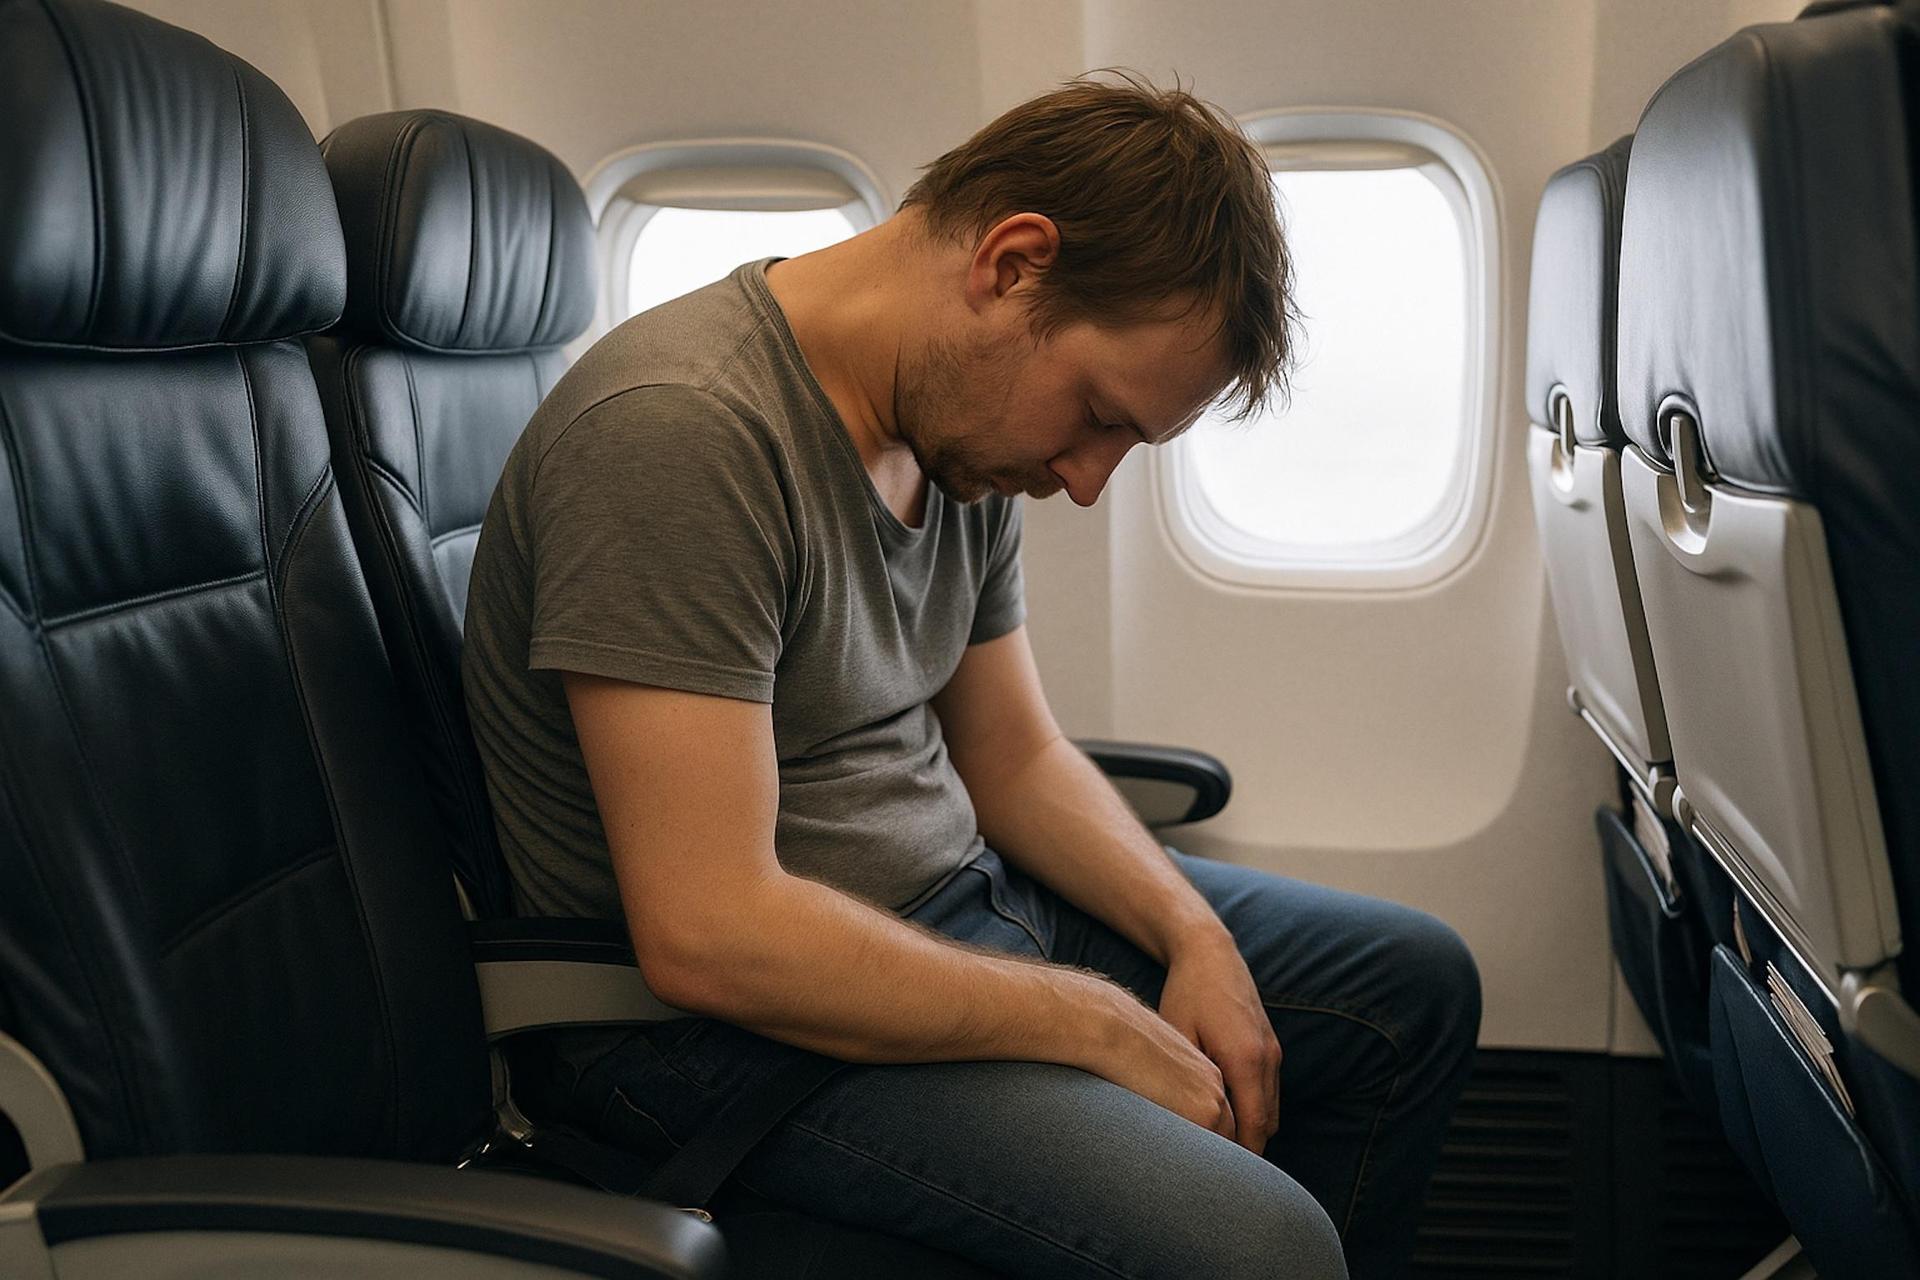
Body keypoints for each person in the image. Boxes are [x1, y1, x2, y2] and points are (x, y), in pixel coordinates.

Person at [463, 72, 1481, 1280]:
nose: (1087, 480)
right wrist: (1091, 1017)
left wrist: (1192, 934)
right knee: (1262, 1244)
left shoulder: (954, 434)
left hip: (956, 905)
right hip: (719, 1033)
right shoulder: (682, 433)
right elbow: (710, 932)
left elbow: (1015, 754)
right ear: (1013, 264)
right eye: (1097, 414)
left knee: (1407, 990)